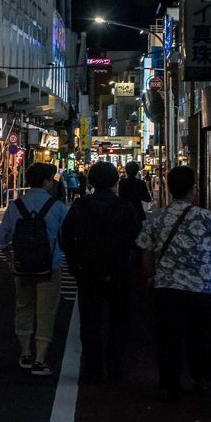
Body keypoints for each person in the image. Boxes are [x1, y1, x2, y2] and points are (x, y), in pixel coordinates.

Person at [136, 165, 211, 401]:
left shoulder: (157, 216)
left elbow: (145, 251)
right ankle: (202, 381)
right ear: (193, 189)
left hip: (167, 288)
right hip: (201, 288)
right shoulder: (206, 216)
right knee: (200, 336)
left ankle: (169, 384)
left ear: (168, 188)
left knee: (168, 337)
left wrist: (150, 275)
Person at [58, 161, 142, 383]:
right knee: (119, 320)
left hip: (88, 271)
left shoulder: (80, 206)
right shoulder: (125, 207)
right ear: (116, 181)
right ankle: (115, 367)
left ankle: (93, 368)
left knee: (90, 322)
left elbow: (65, 237)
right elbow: (138, 238)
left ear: (91, 181)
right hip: (119, 271)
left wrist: (75, 265)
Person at [0, 162, 68, 376]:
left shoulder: (16, 205)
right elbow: (66, 239)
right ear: (46, 181)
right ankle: (40, 360)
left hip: (22, 266)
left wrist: (11, 258)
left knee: (23, 308)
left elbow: (1, 239)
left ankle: (25, 353)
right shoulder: (57, 207)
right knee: (46, 312)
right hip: (50, 266)